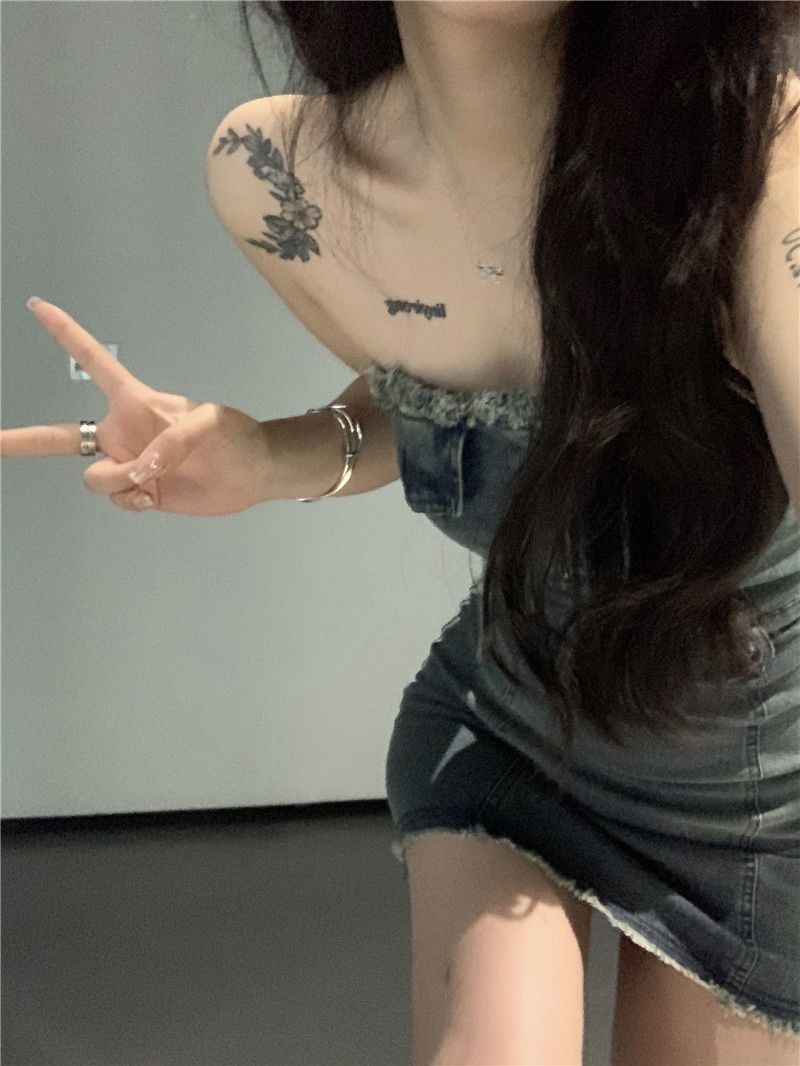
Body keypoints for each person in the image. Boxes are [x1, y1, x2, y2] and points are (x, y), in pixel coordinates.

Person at [4, 2, 800, 1064]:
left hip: (760, 804)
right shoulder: (284, 179)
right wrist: (265, 457)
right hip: (514, 731)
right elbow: (428, 399)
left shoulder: (756, 151)